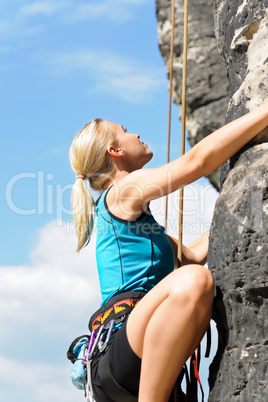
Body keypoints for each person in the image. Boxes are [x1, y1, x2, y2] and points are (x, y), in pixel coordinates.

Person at [69, 102, 268, 402]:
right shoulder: (123, 190)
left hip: (127, 363)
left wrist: (242, 201)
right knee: (195, 281)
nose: (135, 134)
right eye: (125, 131)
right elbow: (197, 162)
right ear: (115, 151)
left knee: (195, 279)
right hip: (120, 351)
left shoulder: (141, 227)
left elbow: (194, 254)